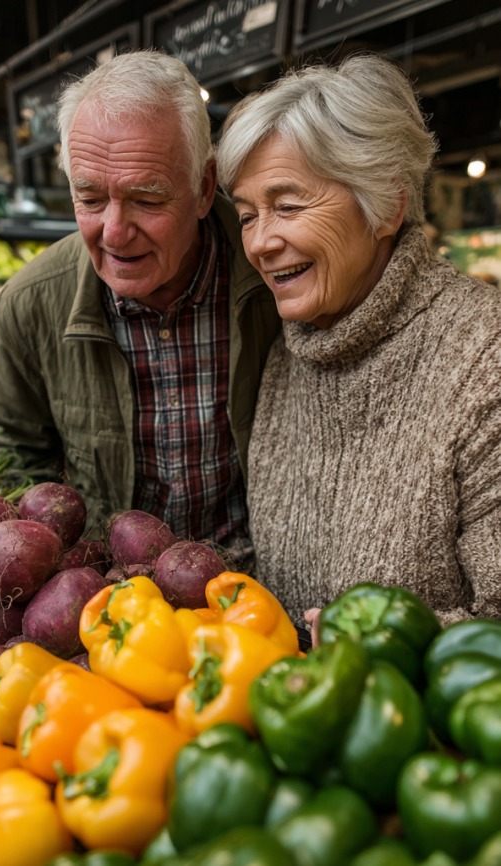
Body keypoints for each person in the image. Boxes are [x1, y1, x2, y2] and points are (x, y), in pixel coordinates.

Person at [215, 53, 501, 636]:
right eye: (247, 216)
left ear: (387, 206)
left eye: (288, 206)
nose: (261, 243)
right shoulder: (288, 353)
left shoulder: (484, 355)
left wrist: (379, 643)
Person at [0, 51, 281, 558]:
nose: (115, 233)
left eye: (147, 199)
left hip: (254, 591)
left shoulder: (273, 277)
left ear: (205, 188)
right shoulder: (30, 303)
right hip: (109, 602)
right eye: (91, 198)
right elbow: (15, 455)